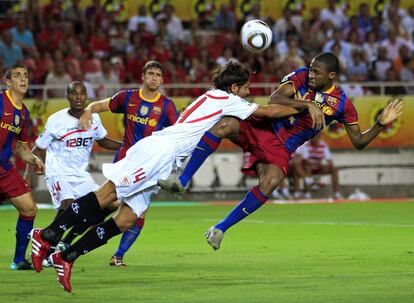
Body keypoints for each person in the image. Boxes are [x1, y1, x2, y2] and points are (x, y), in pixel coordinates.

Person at [30, 61, 317, 292]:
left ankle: (66, 256)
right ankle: (47, 235)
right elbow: (268, 110)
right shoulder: (226, 99)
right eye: (245, 88)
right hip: (158, 151)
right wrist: (307, 105)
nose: (247, 93)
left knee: (126, 219)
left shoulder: (217, 97)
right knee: (107, 196)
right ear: (233, 87)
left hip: (163, 159)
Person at [159, 52, 403, 251]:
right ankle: (182, 179)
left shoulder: (342, 105)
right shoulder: (300, 77)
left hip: (283, 147)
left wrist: (381, 124)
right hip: (263, 127)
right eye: (310, 69)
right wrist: (307, 105)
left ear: (332, 75)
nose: (311, 74)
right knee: (225, 124)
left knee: (272, 181)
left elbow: (358, 141)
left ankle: (221, 228)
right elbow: (276, 97)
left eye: (317, 72)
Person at [79, 60, 179, 267]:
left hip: (148, 167)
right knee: (107, 203)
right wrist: (88, 109)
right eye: (150, 73)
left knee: (137, 213)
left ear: (162, 80)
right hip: (125, 161)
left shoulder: (167, 106)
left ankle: (118, 256)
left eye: (158, 75)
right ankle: (72, 235)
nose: (154, 78)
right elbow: (101, 105)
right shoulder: (128, 97)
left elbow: (177, 133)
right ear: (143, 76)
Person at [30, 81, 122, 263]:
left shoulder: (94, 119)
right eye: (74, 93)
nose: (78, 97)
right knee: (68, 204)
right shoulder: (56, 120)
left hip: (81, 175)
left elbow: (102, 141)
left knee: (111, 203)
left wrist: (127, 147)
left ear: (86, 96)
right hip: (58, 173)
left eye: (82, 93)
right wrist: (35, 165)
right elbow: (39, 147)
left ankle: (66, 241)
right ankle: (47, 248)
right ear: (68, 97)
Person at [0, 65, 45, 270]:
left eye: (26, 75)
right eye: (17, 76)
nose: (23, 79)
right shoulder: (0, 101)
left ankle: (18, 260)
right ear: (7, 81)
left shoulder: (24, 113)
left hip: (4, 169)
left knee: (29, 208)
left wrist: (34, 159)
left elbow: (20, 148)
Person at [291, 134, 341, 199]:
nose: (315, 139)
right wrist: (312, 164)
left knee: (334, 169)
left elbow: (329, 160)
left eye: (316, 137)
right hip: (308, 167)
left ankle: (336, 193)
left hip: (318, 167)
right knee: (305, 167)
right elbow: (304, 160)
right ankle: (307, 193)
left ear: (319, 137)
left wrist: (326, 166)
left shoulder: (323, 145)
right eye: (313, 137)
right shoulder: (305, 145)